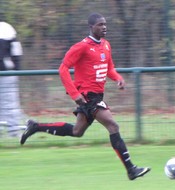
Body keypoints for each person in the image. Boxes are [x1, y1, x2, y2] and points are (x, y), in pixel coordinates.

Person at [20, 13, 151, 180]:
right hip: (88, 97)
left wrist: (117, 78)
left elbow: (109, 68)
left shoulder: (106, 45)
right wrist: (74, 94)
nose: (104, 27)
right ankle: (131, 169)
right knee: (113, 125)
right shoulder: (81, 47)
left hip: (96, 96)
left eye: (105, 24)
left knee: (77, 131)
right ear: (91, 27)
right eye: (100, 24)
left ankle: (35, 126)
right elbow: (63, 69)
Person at [0, 21, 25, 137]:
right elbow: (17, 52)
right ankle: (12, 131)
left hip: (7, 73)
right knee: (10, 103)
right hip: (8, 73)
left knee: (10, 103)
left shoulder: (6, 28)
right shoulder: (7, 28)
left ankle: (13, 131)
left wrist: (15, 70)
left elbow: (16, 52)